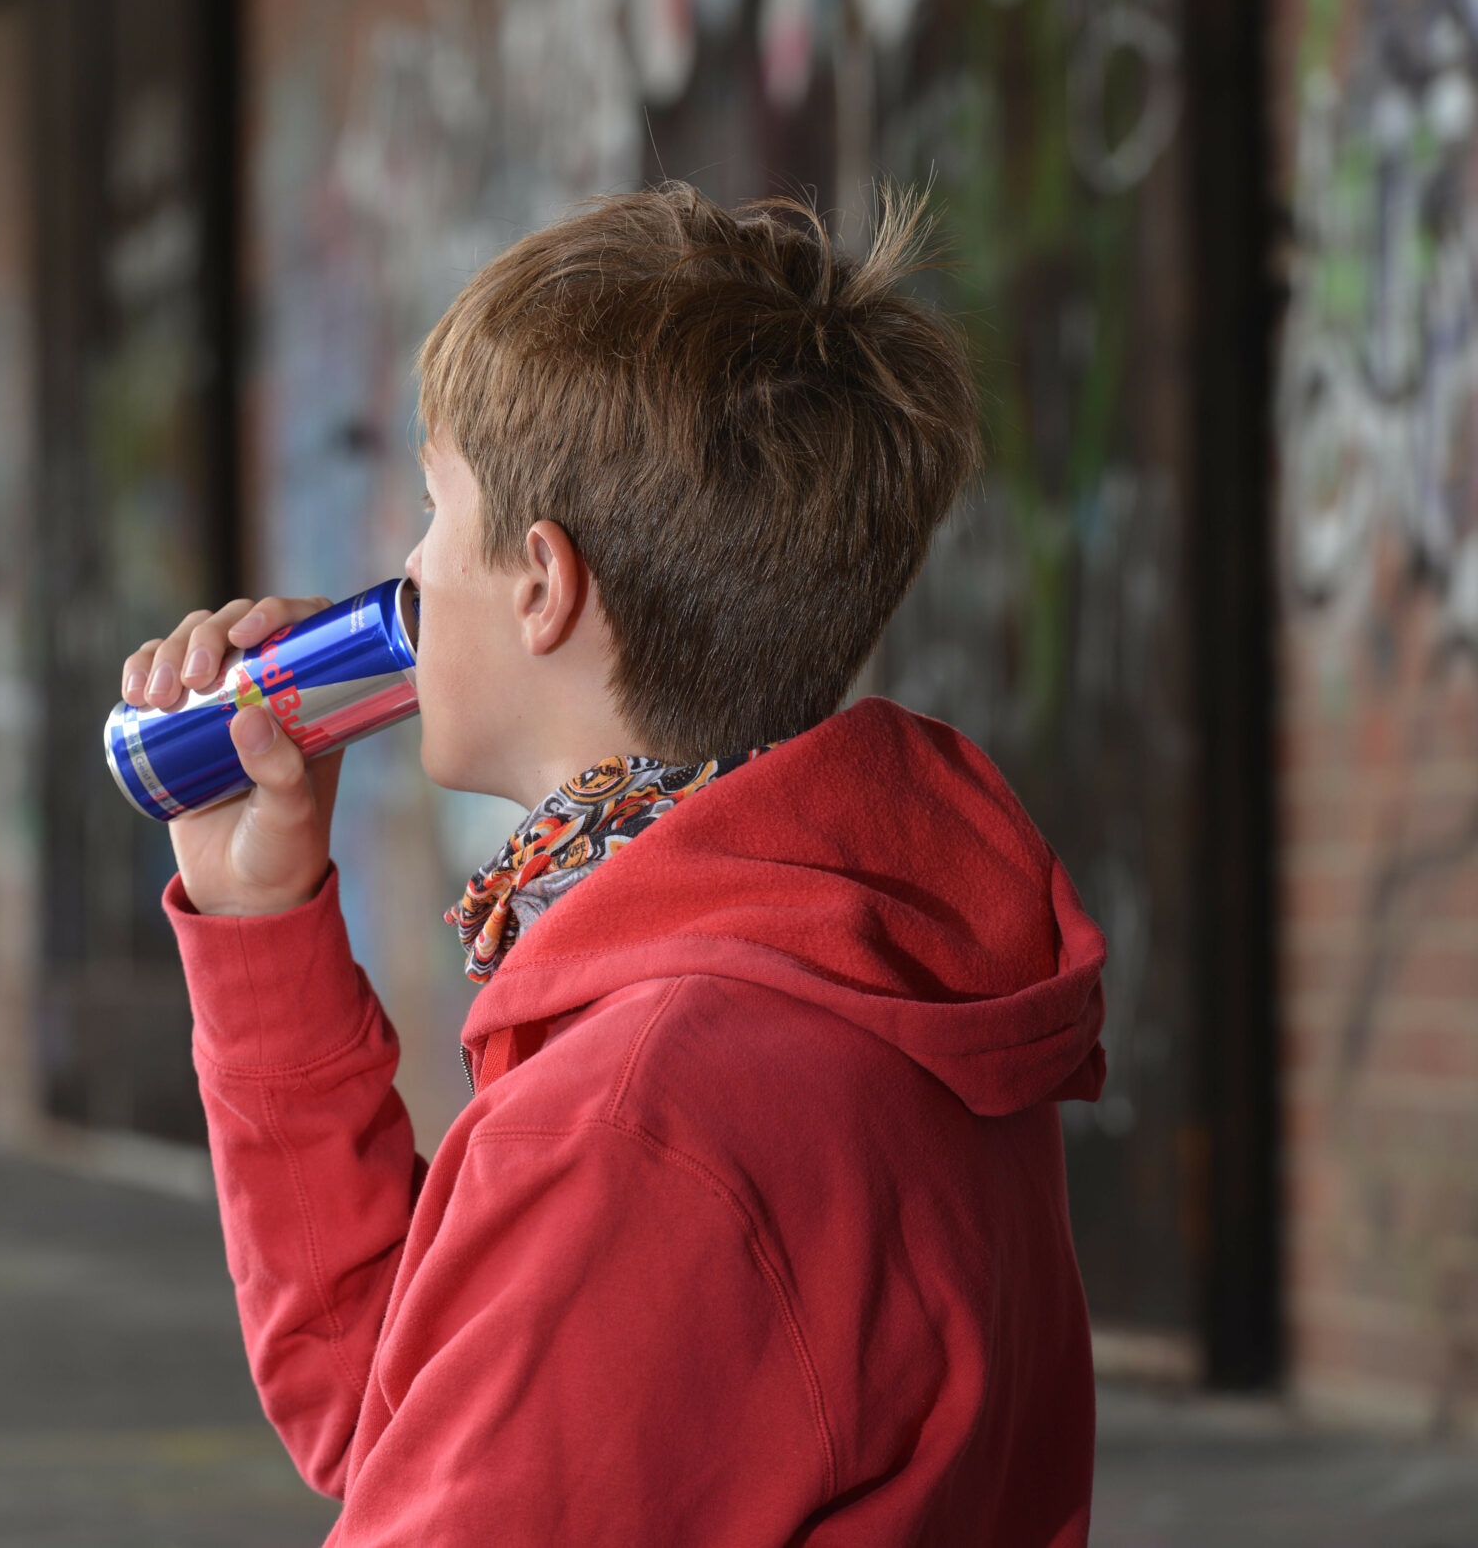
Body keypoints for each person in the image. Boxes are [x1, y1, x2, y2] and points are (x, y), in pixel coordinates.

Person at [118, 184, 1106, 1545]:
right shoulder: (859, 960)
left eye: (434, 505)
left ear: (542, 583)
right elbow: (407, 1404)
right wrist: (258, 913)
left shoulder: (643, 1114)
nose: (407, 567)